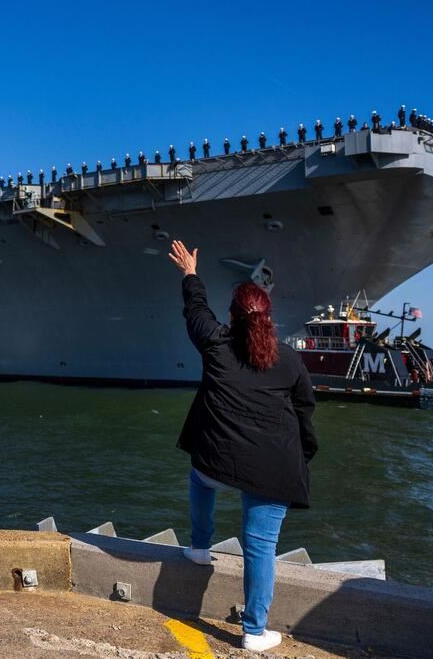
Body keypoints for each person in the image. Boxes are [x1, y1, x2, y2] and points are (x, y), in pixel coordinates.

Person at [167, 240, 318, 652]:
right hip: (273, 468)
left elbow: (196, 312)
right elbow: (305, 407)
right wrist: (305, 450)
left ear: (232, 318)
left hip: (219, 459)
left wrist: (190, 273)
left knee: (200, 480)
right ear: (269, 319)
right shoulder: (289, 359)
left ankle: (200, 547)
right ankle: (254, 631)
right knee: (260, 545)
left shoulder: (216, 346)